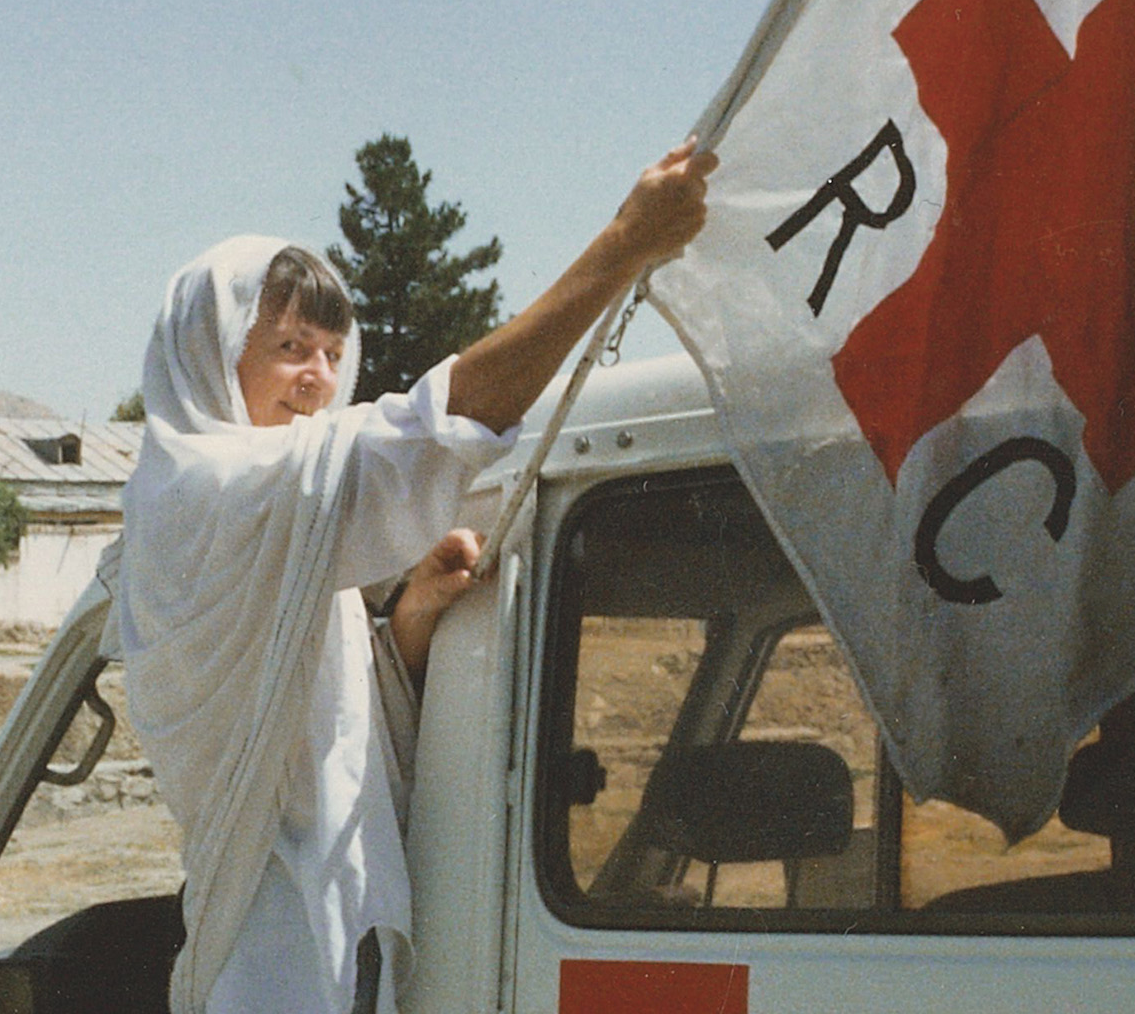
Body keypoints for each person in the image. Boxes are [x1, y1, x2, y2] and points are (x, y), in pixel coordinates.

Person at [102, 140, 715, 1013]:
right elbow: (437, 430)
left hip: (340, 936)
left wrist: (415, 617)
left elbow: (337, 733)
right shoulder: (203, 492)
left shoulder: (282, 527)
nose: (318, 381)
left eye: (329, 351)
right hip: (277, 954)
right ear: (206, 353)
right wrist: (621, 247)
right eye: (287, 347)